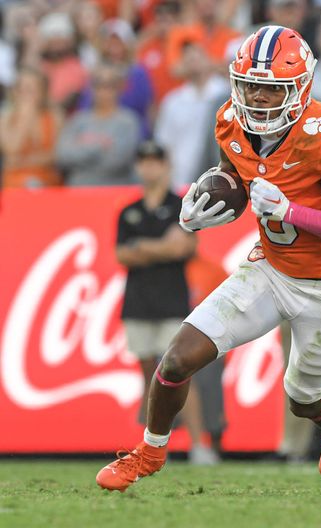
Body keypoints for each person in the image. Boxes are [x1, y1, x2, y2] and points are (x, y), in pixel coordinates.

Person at [96, 25, 321, 492]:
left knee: (304, 399)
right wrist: (202, 209)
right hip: (269, 268)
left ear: (299, 86)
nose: (258, 98)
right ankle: (148, 452)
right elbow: (239, 182)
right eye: (250, 85)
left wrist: (292, 211)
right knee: (175, 360)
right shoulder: (230, 120)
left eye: (270, 89)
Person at [115, 141, 219, 466]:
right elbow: (122, 255)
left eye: (155, 161)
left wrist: (143, 248)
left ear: (166, 165)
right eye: (144, 161)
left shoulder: (181, 205)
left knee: (177, 371)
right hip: (139, 301)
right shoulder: (128, 210)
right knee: (149, 374)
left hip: (172, 300)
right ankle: (155, 446)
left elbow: (183, 248)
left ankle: (199, 443)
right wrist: (161, 246)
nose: (149, 167)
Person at [154, 40, 229, 189]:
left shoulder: (226, 94)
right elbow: (164, 142)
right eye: (188, 59)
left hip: (220, 178)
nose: (194, 63)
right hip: (182, 178)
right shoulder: (173, 102)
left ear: (208, 60)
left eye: (197, 57)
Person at [55, 63, 140, 186]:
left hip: (115, 191)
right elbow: (62, 156)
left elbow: (118, 161)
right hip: (79, 192)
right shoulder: (77, 120)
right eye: (98, 84)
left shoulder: (128, 121)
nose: (103, 90)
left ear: (120, 87)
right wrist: (100, 147)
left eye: (110, 85)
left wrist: (82, 152)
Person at [0, 67, 63, 188]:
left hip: (47, 181)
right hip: (14, 183)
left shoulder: (54, 117)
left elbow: (56, 155)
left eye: (30, 89)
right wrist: (25, 118)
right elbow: (12, 149)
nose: (24, 94)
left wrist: (22, 161)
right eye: (20, 89)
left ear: (42, 92)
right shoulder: (5, 118)